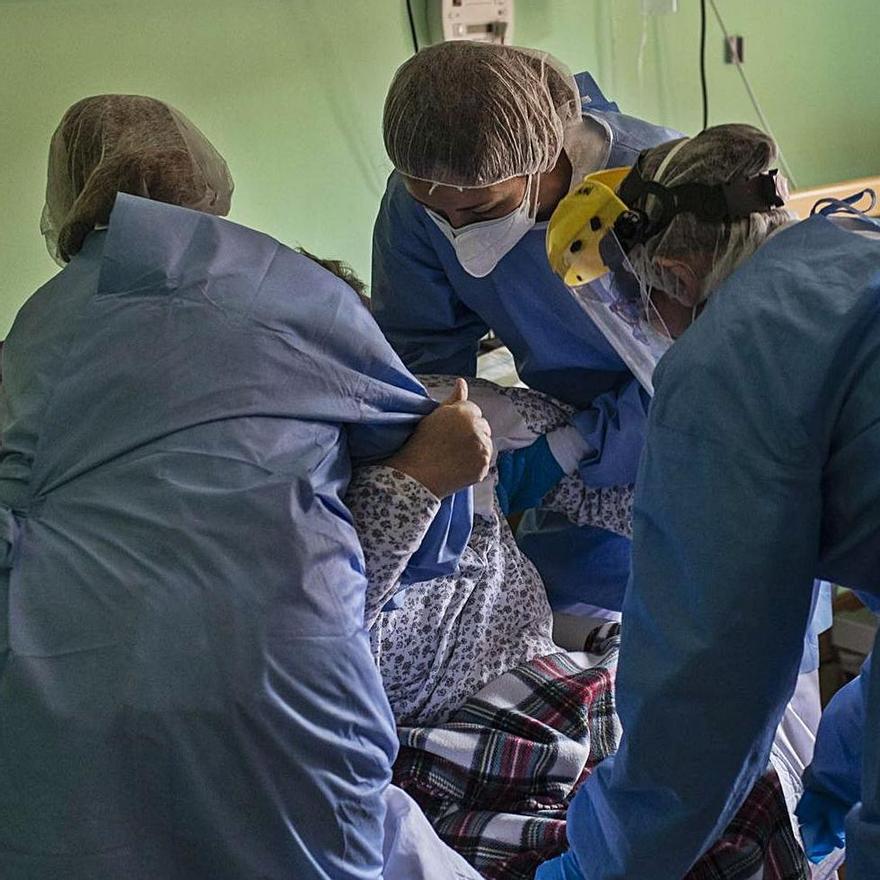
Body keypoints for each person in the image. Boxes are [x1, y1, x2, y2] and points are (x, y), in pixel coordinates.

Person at [0, 94, 489, 880]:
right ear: (209, 187)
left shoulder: (29, 337)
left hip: (53, 676)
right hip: (272, 670)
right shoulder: (287, 290)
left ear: (66, 201)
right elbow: (432, 429)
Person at [534, 123, 880, 880]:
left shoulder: (727, 363)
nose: (646, 325)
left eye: (640, 301)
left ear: (680, 275)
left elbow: (706, 683)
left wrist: (603, 864)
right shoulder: (851, 250)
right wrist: (843, 770)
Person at [372, 41, 681, 616]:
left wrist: (573, 445)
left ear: (544, 159)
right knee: (563, 618)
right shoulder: (425, 195)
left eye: (483, 209)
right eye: (438, 211)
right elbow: (421, 354)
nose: (455, 228)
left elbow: (704, 368)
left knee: (726, 634)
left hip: (700, 442)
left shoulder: (660, 189)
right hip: (579, 465)